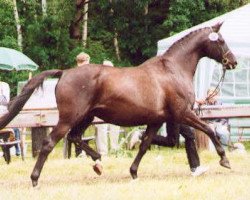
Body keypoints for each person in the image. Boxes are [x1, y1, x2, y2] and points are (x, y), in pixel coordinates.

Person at [95, 60, 120, 155]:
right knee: (101, 128)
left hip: (114, 111)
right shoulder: (98, 82)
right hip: (102, 110)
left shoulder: (117, 80)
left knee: (115, 128)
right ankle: (103, 151)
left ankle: (114, 149)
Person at [0, 83, 21, 156]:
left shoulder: (4, 85)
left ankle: (17, 147)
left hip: (4, 112)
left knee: (14, 125)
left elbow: (6, 101)